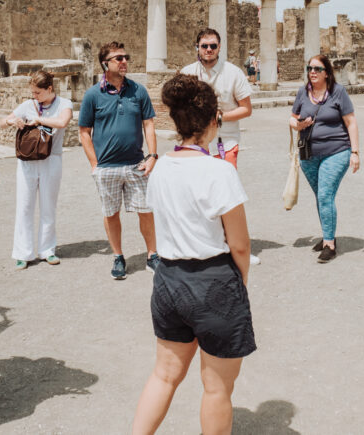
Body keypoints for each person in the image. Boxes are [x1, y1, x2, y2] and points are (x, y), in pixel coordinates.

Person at [131, 73, 255, 435]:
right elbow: (240, 244)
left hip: (169, 280)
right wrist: (240, 281)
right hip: (214, 281)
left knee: (164, 376)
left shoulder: (161, 168)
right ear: (214, 119)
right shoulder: (219, 171)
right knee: (217, 388)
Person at [79, 41, 159, 280]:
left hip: (136, 163)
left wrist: (153, 155)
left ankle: (152, 255)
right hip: (107, 167)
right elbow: (84, 132)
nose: (124, 61)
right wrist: (95, 164)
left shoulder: (138, 90)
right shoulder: (93, 95)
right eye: (118, 58)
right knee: (111, 213)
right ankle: (118, 257)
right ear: (105, 64)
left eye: (126, 57)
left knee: (146, 211)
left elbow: (149, 124)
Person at [181, 28, 261, 266]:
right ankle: (205, 244)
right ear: (197, 47)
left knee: (228, 196)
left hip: (225, 142)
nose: (208, 50)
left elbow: (246, 109)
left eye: (213, 46)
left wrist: (220, 117)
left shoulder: (233, 73)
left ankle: (237, 246)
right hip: (196, 143)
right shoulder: (187, 73)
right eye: (204, 45)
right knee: (198, 196)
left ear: (219, 47)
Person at [289, 54, 360, 263]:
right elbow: (292, 119)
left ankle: (329, 243)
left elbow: (351, 122)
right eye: (310, 68)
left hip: (336, 151)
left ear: (327, 73)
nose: (312, 72)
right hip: (308, 154)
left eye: (317, 69)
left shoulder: (338, 93)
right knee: (321, 196)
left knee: (325, 195)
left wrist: (355, 152)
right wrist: (299, 125)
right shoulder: (303, 92)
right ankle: (327, 234)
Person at [2, 70, 73, 270]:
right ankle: (23, 252)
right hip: (28, 161)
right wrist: (11, 121)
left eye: (38, 93)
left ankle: (47, 250)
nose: (34, 97)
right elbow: (2, 121)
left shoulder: (64, 104)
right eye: (32, 92)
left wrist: (39, 120)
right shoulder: (27, 105)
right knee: (24, 206)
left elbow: (62, 122)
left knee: (48, 206)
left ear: (49, 89)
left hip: (52, 159)